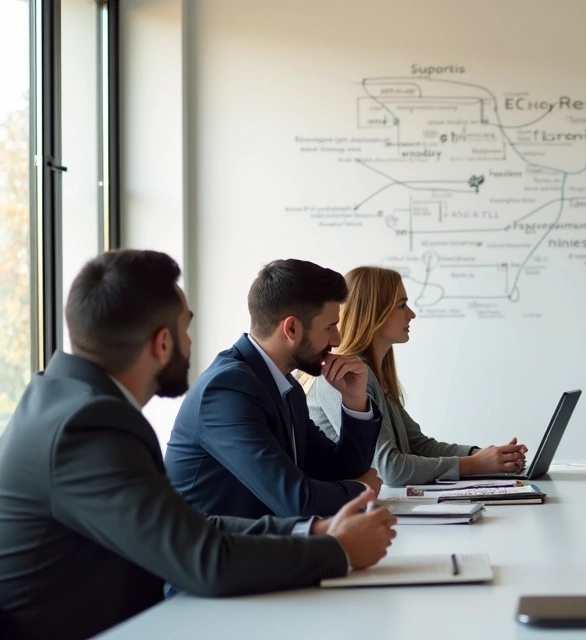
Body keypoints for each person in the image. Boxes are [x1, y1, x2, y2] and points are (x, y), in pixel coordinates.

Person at [0, 251, 396, 640]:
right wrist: (337, 549)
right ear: (162, 343)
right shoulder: (88, 426)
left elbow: (191, 526)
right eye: (186, 328)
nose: (190, 343)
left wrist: (317, 531)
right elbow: (202, 556)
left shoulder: (70, 405)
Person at [166, 259, 382, 519]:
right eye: (329, 327)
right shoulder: (226, 389)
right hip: (215, 544)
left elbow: (338, 470)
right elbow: (296, 500)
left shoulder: (287, 388)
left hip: (264, 539)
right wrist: (362, 491)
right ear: (291, 328)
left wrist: (354, 399)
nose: (336, 340)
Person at [306, 266, 529, 485]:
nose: (411, 314)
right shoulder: (342, 378)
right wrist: (473, 464)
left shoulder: (374, 374)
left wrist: (484, 455)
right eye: (401, 305)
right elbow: (390, 470)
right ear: (374, 313)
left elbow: (418, 445)